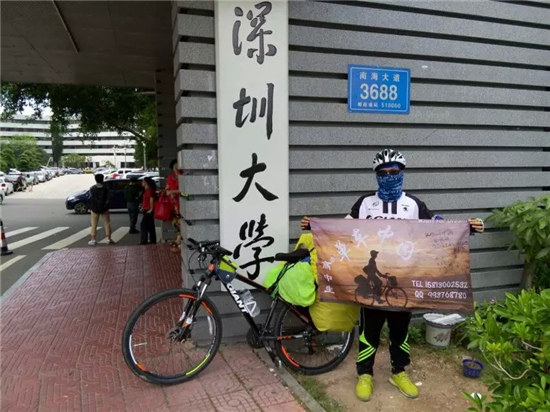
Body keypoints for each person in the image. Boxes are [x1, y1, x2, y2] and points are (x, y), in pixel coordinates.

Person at [300, 149, 484, 402]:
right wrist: (316, 226)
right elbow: (342, 229)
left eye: (394, 171)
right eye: (383, 173)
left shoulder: (414, 205)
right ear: (376, 175)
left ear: (402, 172)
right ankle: (365, 373)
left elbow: (438, 228)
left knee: (400, 331)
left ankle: (399, 372)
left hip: (403, 279)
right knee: (370, 331)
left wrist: (466, 227)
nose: (388, 176)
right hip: (371, 283)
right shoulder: (365, 203)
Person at [89, 173, 114, 245]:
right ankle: (108, 239)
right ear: (102, 179)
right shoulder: (106, 188)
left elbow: (91, 198)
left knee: (94, 224)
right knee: (107, 223)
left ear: (95, 180)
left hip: (94, 209)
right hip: (104, 209)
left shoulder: (92, 188)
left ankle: (93, 239)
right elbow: (109, 197)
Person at [165, 159, 183, 252]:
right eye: (174, 166)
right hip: (174, 203)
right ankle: (178, 239)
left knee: (182, 221)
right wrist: (169, 192)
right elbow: (166, 189)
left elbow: (186, 189)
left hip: (183, 202)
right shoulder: (170, 177)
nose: (176, 167)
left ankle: (179, 240)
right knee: (176, 222)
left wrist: (174, 191)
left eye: (177, 165)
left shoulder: (184, 175)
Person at [140, 177, 157, 245]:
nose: (142, 183)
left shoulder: (149, 190)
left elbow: (151, 199)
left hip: (148, 210)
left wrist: (151, 209)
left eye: (143, 181)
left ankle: (144, 240)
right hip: (146, 209)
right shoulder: (146, 190)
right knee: (150, 226)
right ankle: (152, 240)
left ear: (146, 182)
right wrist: (142, 207)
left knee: (143, 225)